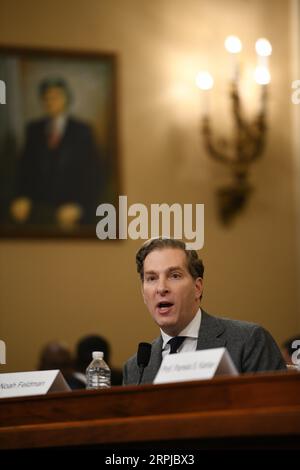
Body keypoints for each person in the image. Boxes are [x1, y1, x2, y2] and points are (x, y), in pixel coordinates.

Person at [123, 238, 286, 385]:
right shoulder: (135, 369)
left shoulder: (249, 341)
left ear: (197, 287)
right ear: (144, 294)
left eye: (174, 276)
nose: (161, 288)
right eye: (152, 278)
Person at [10, 77, 103, 228]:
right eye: (47, 97)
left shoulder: (82, 131)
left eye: (56, 96)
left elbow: (93, 174)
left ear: (66, 99)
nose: (51, 101)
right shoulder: (34, 130)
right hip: (38, 208)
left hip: (71, 209)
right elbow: (25, 169)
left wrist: (80, 207)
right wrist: (21, 197)